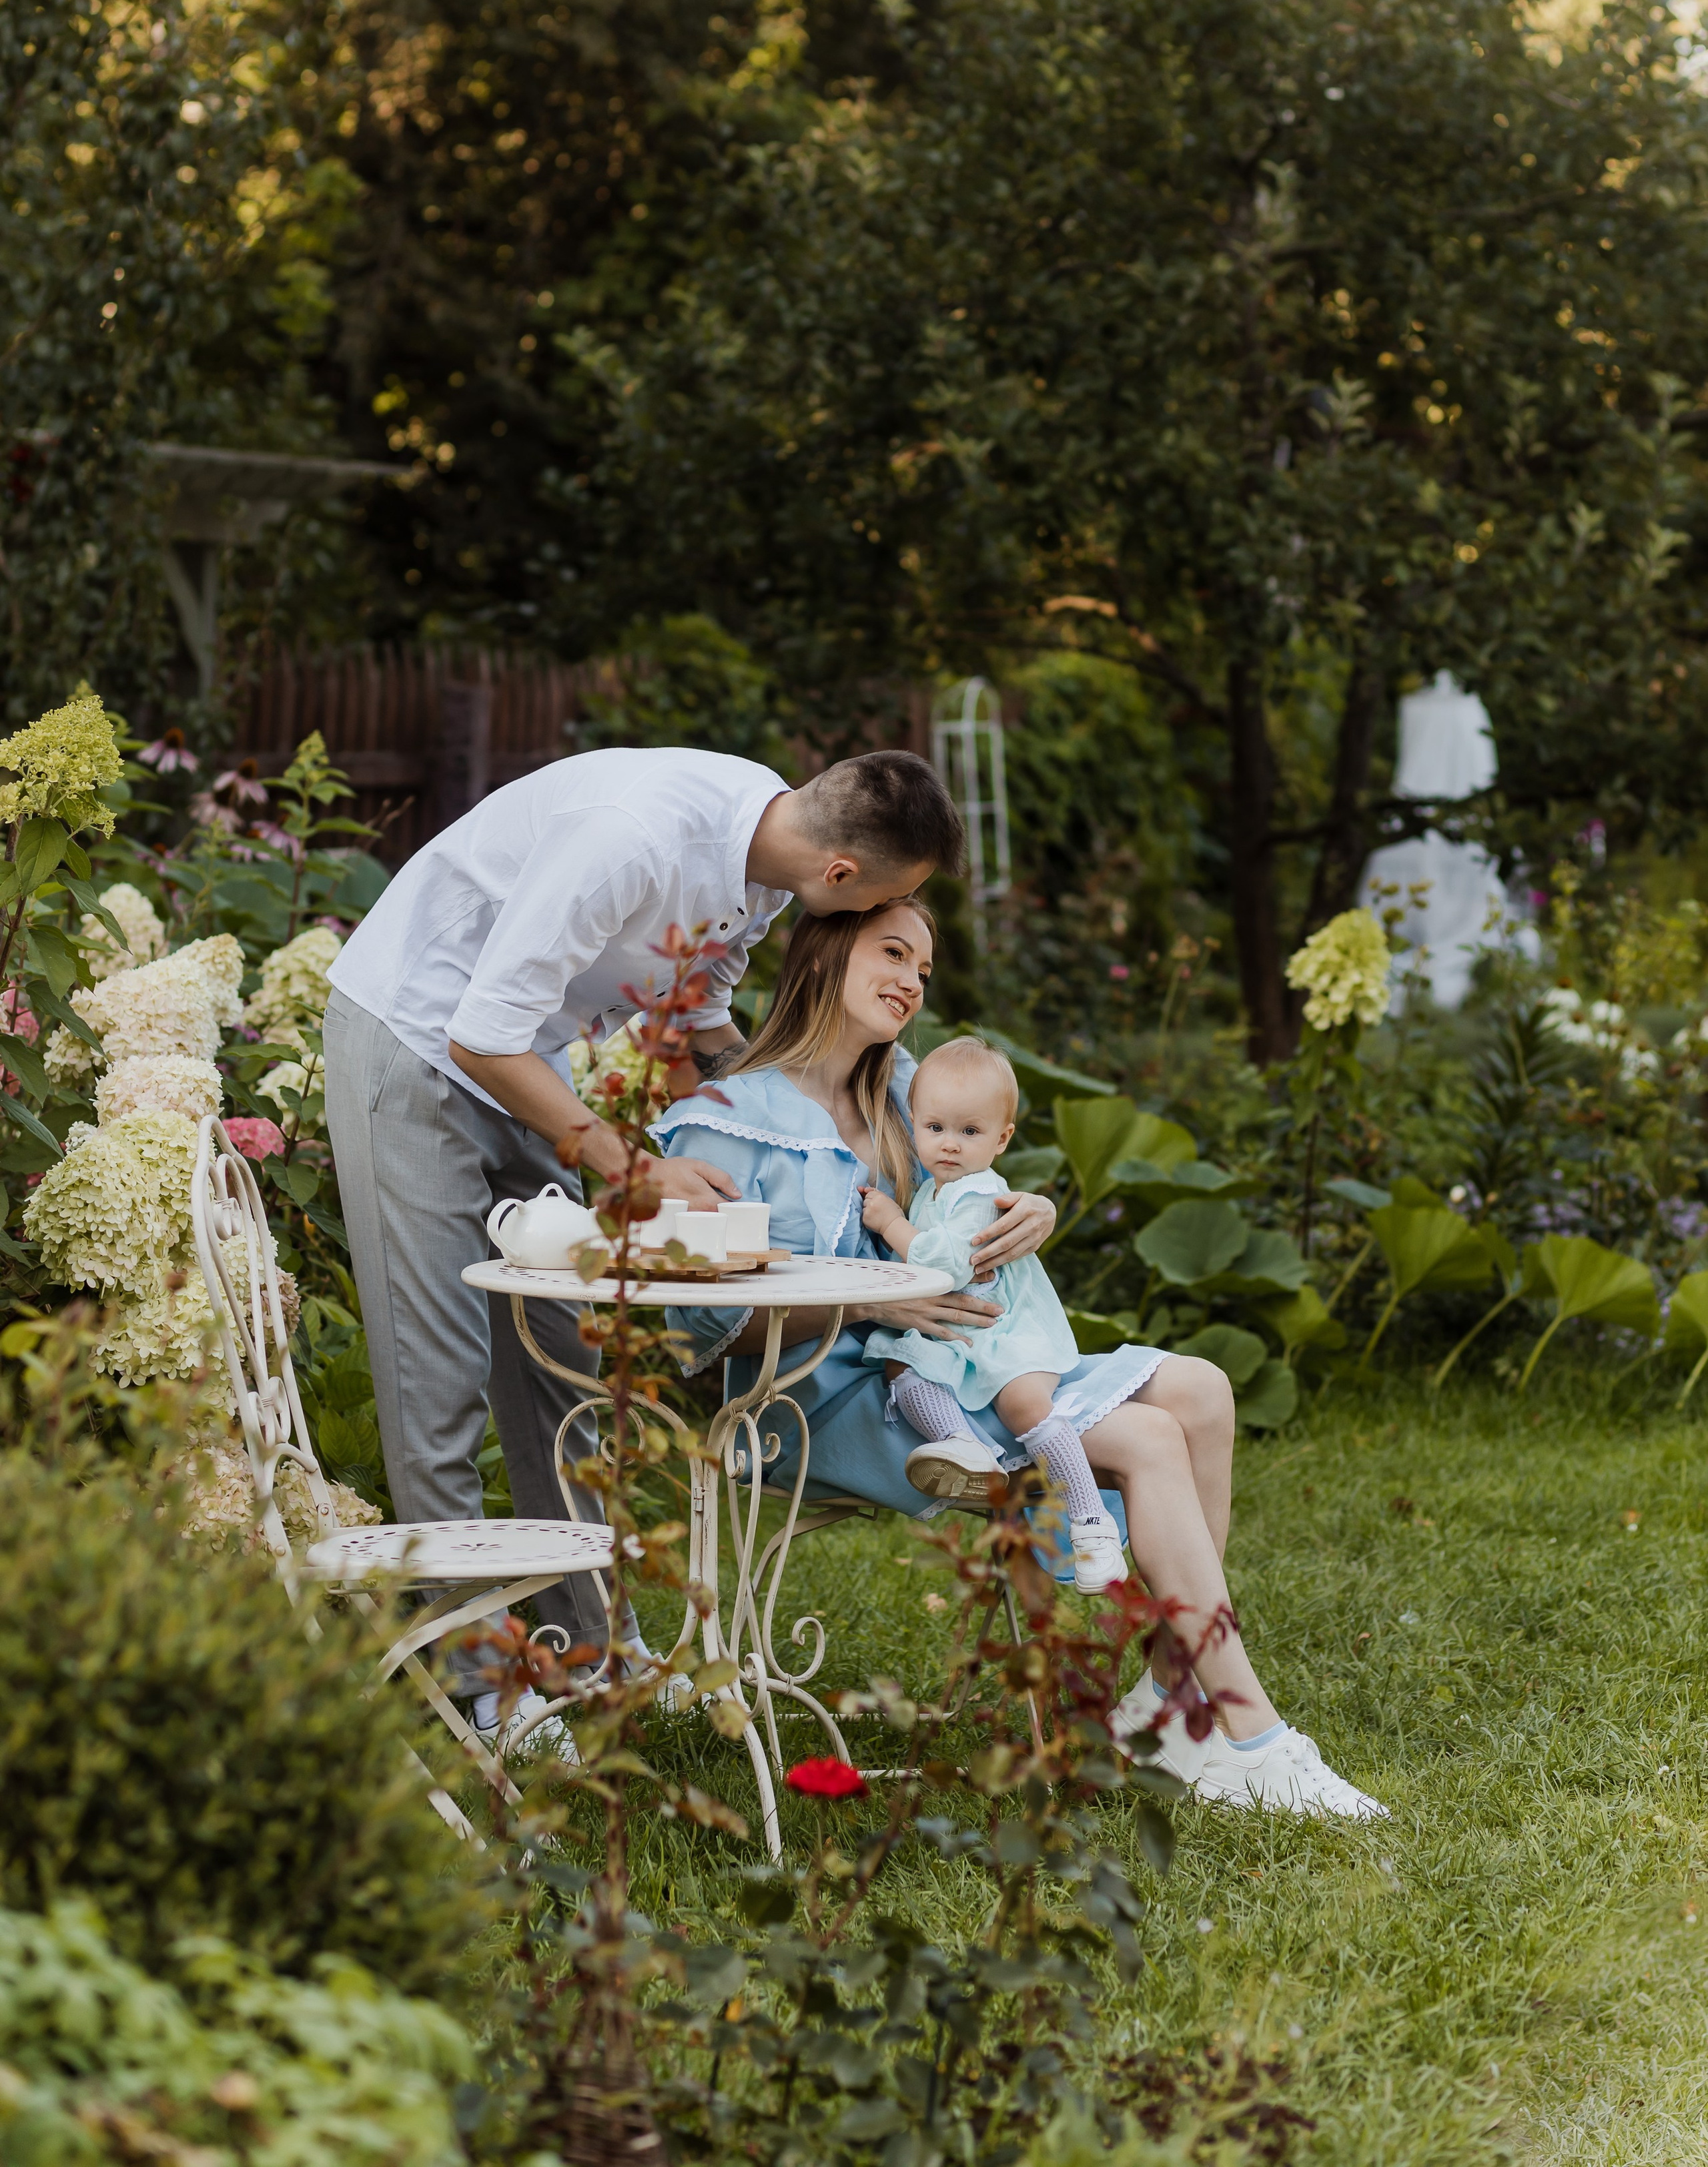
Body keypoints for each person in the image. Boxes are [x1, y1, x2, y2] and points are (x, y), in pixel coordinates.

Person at [654, 895, 1388, 1819]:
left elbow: (965, 1190)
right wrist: (866, 1297)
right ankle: (1251, 1733)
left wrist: (1028, 1207)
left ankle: (1169, 1700)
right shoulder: (729, 1113)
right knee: (1153, 1440)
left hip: (960, 1358)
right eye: (891, 953)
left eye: (923, 967)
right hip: (827, 1398)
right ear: (826, 954)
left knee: (1200, 1390)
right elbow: (696, 1329)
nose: (912, 982)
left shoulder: (901, 1090)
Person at [322, 743, 995, 1675]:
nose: (872, 922)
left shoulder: (764, 863)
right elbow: (478, 1034)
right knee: (437, 1373)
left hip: (526, 1049)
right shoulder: (633, 839)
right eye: (876, 906)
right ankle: (478, 1683)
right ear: (840, 874)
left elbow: (694, 1018)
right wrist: (627, 1166)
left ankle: (591, 1648)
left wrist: (799, 1122)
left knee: (560, 1356)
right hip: (418, 1034)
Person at [857, 1035, 1128, 1596]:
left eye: (970, 1132)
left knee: (1026, 1405)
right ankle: (967, 1449)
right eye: (935, 1129)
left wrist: (888, 1225)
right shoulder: (935, 1190)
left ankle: (1091, 1525)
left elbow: (947, 1263)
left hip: (1013, 1332)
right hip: (970, 1332)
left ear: (1002, 1139)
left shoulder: (980, 1191)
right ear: (914, 1126)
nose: (950, 1145)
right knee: (900, 1362)